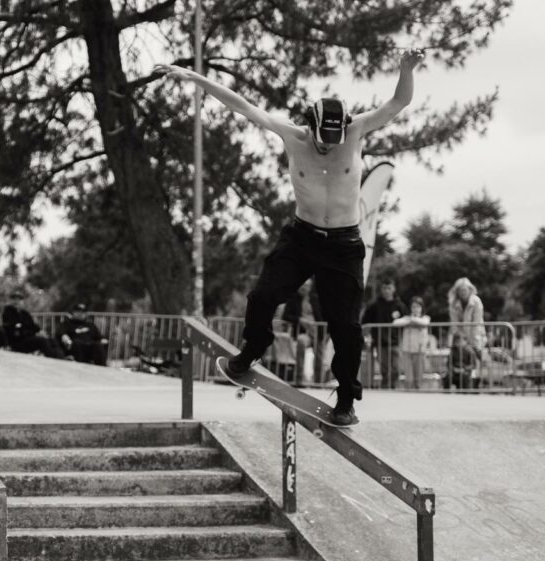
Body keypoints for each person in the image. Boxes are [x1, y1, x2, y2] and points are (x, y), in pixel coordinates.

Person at [154, 48, 424, 425]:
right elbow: (243, 105)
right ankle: (252, 351)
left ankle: (346, 396)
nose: (327, 147)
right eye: (320, 140)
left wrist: (406, 69)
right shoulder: (292, 136)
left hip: (345, 245)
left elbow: (398, 102)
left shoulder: (356, 129)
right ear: (309, 126)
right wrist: (196, 78)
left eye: (334, 140)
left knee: (346, 328)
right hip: (301, 239)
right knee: (262, 296)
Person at [361, 279, 408, 389]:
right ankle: (386, 388)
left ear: (393, 289)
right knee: (385, 369)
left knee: (396, 368)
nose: (387, 291)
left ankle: (392, 386)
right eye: (384, 288)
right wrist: (368, 336)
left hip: (395, 342)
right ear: (381, 289)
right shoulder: (374, 305)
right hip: (380, 342)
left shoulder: (399, 305)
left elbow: (406, 320)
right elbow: (365, 321)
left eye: (389, 288)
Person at [2, 291, 63, 358]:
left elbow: (33, 326)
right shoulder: (7, 312)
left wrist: (40, 331)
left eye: (19, 299)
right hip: (17, 342)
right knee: (41, 341)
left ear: (22, 301)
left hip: (28, 339)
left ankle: (61, 357)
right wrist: (32, 333)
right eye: (14, 299)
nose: (17, 301)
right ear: (11, 301)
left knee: (51, 340)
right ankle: (53, 358)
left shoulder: (25, 314)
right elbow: (15, 329)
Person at [392, 296, 431, 390]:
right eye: (413, 307)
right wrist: (410, 320)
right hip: (407, 350)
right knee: (408, 378)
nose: (415, 309)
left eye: (418, 306)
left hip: (419, 350)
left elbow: (425, 323)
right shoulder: (407, 318)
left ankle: (418, 397)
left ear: (422, 308)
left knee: (418, 378)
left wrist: (411, 320)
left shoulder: (426, 317)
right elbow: (395, 323)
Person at [448, 277, 486, 353]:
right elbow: (454, 323)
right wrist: (461, 338)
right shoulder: (453, 303)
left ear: (470, 289)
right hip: (460, 339)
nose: (462, 292)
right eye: (460, 290)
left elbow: (476, 322)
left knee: (476, 360)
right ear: (457, 291)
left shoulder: (476, 301)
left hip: (476, 336)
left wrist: (472, 341)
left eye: (464, 290)